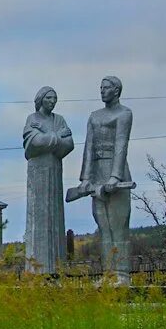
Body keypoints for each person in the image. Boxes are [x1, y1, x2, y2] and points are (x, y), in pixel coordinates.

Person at [79, 76, 133, 284]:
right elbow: (89, 148)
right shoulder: (94, 116)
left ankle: (122, 274)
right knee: (103, 225)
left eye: (106, 87)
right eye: (100, 87)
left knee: (118, 225)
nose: (102, 91)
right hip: (97, 175)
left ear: (117, 90)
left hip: (116, 173)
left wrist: (115, 176)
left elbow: (121, 144)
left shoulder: (124, 114)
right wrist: (85, 178)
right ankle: (108, 273)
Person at [23, 86, 74, 273]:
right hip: (38, 172)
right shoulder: (33, 119)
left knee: (56, 217)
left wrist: (47, 136)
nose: (52, 101)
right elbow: (34, 144)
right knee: (39, 217)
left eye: (55, 98)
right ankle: (38, 269)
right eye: (49, 98)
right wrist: (57, 136)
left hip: (55, 170)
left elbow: (69, 145)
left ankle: (56, 269)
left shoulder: (59, 119)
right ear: (41, 99)